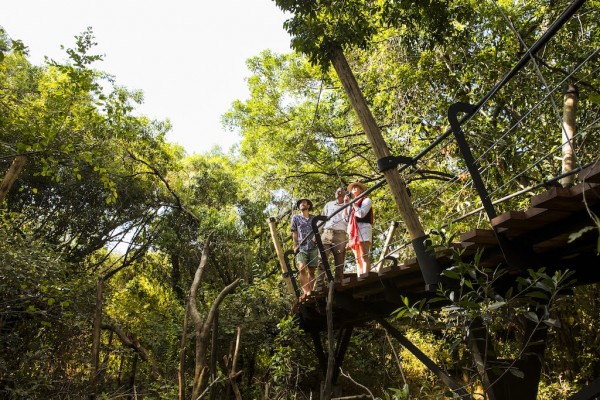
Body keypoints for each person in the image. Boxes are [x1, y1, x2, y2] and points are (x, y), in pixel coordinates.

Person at [319, 187, 349, 284]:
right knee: (321, 259)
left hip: (340, 235)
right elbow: (321, 220)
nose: (339, 192)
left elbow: (350, 221)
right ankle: (320, 283)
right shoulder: (329, 204)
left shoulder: (348, 205)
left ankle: (338, 282)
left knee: (339, 260)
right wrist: (315, 235)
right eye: (337, 191)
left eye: (341, 191)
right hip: (326, 233)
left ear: (345, 194)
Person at [291, 198, 319, 297]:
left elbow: (319, 230)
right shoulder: (296, 218)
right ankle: (306, 291)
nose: (302, 204)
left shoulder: (314, 218)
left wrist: (316, 238)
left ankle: (311, 291)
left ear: (308, 206)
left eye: (304, 203)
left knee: (312, 271)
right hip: (301, 247)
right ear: (298, 207)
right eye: (300, 203)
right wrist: (295, 245)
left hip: (313, 247)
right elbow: (294, 232)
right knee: (301, 268)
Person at [345, 182, 373, 276]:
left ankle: (365, 277)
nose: (354, 189)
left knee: (364, 256)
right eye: (352, 188)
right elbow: (346, 218)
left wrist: (352, 203)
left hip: (364, 228)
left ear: (362, 190)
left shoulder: (366, 200)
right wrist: (346, 204)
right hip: (353, 232)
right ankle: (360, 277)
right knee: (357, 258)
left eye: (356, 187)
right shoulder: (352, 204)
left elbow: (361, 214)